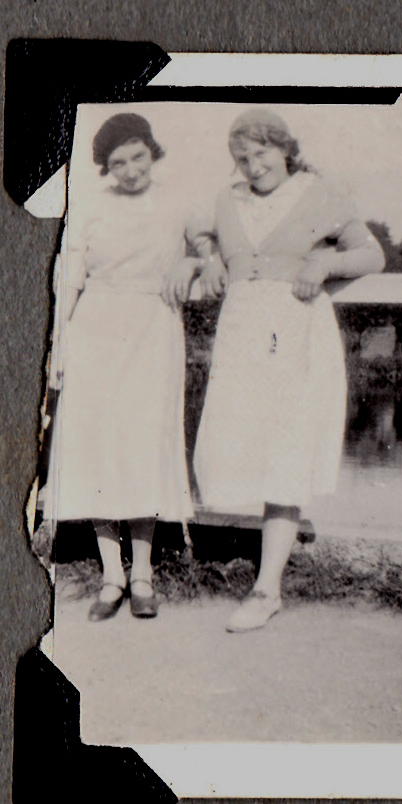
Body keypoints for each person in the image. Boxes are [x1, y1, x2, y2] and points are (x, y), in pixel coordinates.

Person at [173, 108, 385, 632]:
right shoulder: (229, 200)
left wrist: (326, 263)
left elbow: (371, 255)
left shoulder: (318, 193)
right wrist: (206, 258)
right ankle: (260, 580)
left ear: (286, 149)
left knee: (287, 455)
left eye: (262, 152)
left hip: (295, 333)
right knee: (240, 447)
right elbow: (198, 231)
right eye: (242, 157)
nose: (254, 165)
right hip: (242, 336)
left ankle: (267, 590)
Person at [49, 112, 210, 621]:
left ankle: (142, 574)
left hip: (153, 329)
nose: (132, 170)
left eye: (138, 157)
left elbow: (211, 248)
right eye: (119, 163)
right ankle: (111, 576)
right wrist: (59, 346)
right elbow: (71, 281)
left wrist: (191, 261)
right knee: (98, 446)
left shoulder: (179, 201)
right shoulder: (91, 207)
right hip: (95, 329)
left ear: (152, 152)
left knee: (144, 443)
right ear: (106, 167)